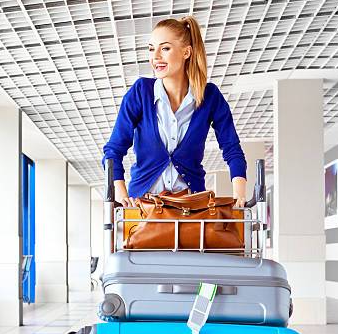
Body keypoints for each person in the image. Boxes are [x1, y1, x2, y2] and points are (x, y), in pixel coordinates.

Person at [102, 15, 247, 208]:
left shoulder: (210, 96)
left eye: (165, 48)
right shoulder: (141, 92)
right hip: (143, 207)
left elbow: (232, 148)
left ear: (186, 52)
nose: (155, 57)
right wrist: (121, 195)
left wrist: (239, 195)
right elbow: (113, 151)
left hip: (191, 208)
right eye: (152, 49)